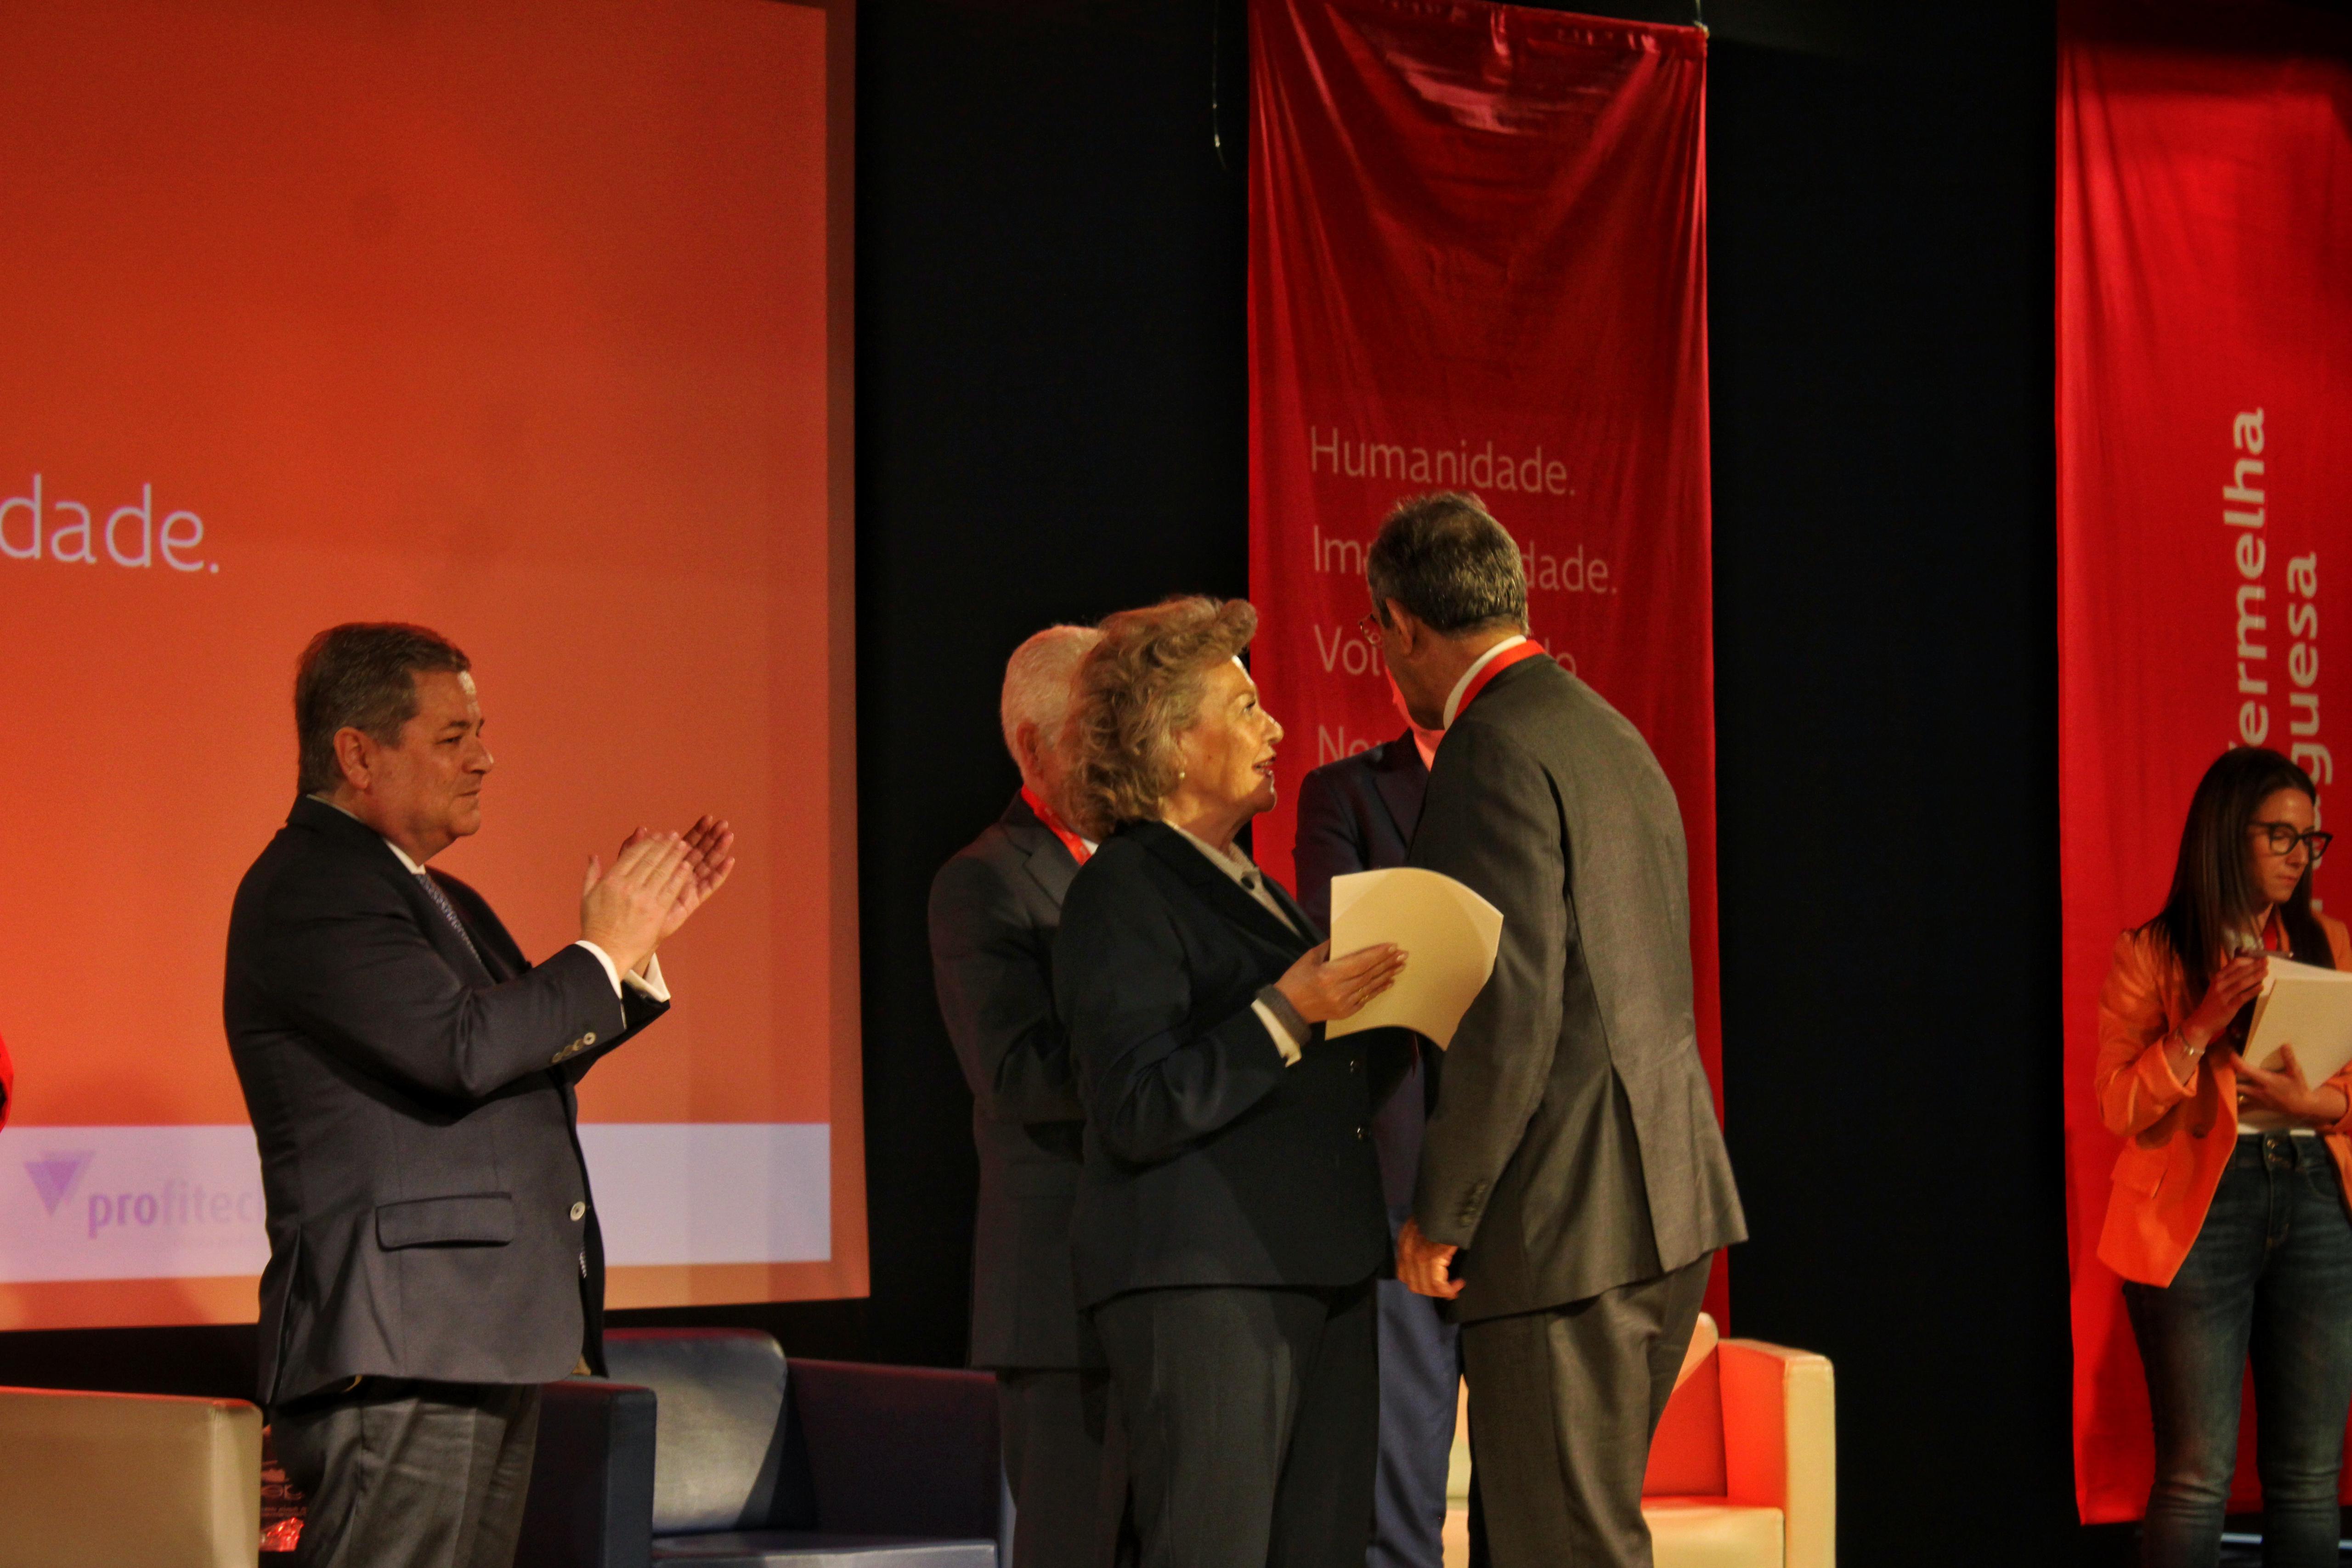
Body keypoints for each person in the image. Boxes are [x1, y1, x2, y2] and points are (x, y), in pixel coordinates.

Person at [224, 622, 732, 1568]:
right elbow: (458, 1050)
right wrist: (600, 951)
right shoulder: (313, 886)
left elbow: (519, 1055)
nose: (485, 759)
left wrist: (630, 953)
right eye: (453, 737)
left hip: (468, 1337)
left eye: (481, 733)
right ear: (358, 755)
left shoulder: (439, 897)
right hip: (405, 1345)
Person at [1373, 493, 1746, 1568]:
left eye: (1380, 637)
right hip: (1661, 1207)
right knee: (1551, 1538)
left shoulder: (1488, 749)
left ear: (1404, 625)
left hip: (1564, 1229)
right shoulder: (1608, 731)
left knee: (1562, 1549)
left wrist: (1441, 1211)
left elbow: (1508, 1015)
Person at [1055, 595, 1410, 1568]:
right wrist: (1286, 1011)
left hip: (1321, 1266)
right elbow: (1135, 1104)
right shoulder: (1123, 888)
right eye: (1246, 707)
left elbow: (1310, 1087)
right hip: (1206, 1285)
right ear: (1172, 743)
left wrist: (1403, 1009)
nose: (1276, 728)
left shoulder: (1252, 887)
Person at [2096, 746, 2352, 1568]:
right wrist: (2199, 1026)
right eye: (2281, 835)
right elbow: (2117, 1103)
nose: (2299, 856)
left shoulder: (2329, 944)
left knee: (2310, 1477)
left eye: (2311, 840)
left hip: (2316, 1193)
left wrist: (2320, 1105)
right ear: (2227, 832)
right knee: (2196, 1475)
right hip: (2201, 1207)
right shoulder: (2155, 951)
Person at [929, 622, 1125, 1568]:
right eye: (1100, 726)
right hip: (1058, 1299)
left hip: (1158, 1281)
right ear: (1033, 744)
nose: (1124, 748)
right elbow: (1016, 1075)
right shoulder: (985, 879)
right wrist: (1164, 1060)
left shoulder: (1149, 868)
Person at [1291, 683, 1461, 1568]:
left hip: (1531, 1184)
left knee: (1543, 1511)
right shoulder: (1346, 791)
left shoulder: (1539, 785)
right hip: (1404, 1186)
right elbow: (1342, 965)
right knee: (1398, 1514)